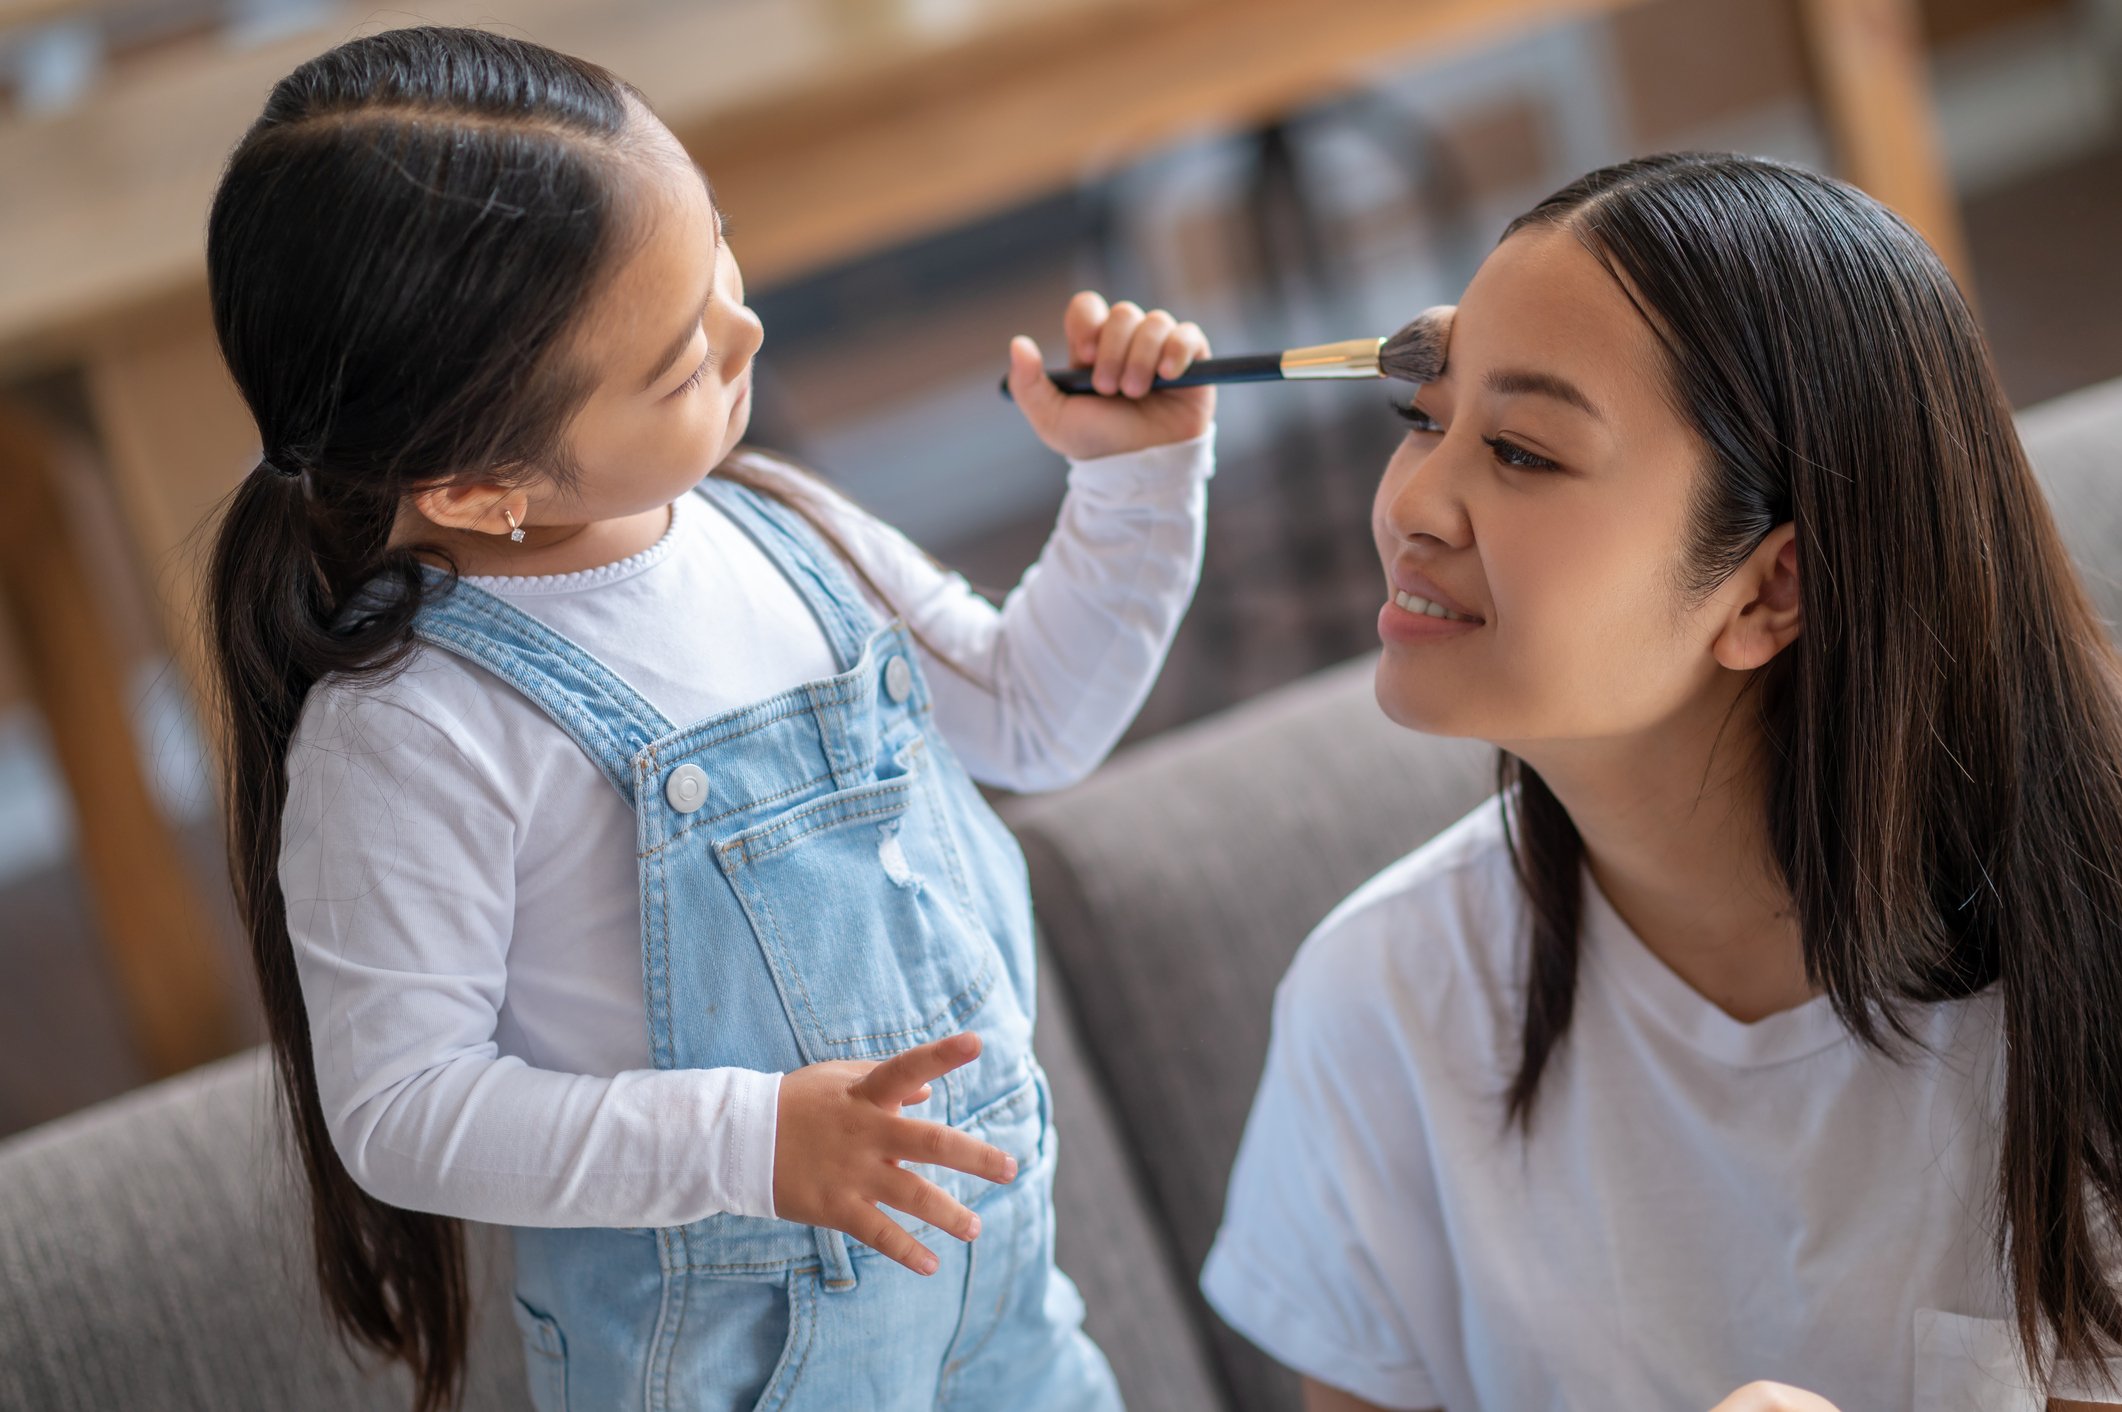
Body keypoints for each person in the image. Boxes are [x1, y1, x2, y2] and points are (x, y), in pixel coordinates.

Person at [204, 25, 1215, 1412]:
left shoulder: (781, 526)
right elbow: (402, 1113)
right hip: (725, 1368)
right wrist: (752, 1140)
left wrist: (1135, 488)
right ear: (476, 481)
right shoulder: (414, 736)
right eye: (679, 361)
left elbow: (1033, 718)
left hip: (998, 1312)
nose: (747, 331)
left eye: (717, 258)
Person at [1200, 152, 2122, 1412]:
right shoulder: (1379, 1006)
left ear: (1768, 588)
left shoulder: (2090, 969)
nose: (1414, 500)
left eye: (1521, 450)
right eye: (1424, 418)